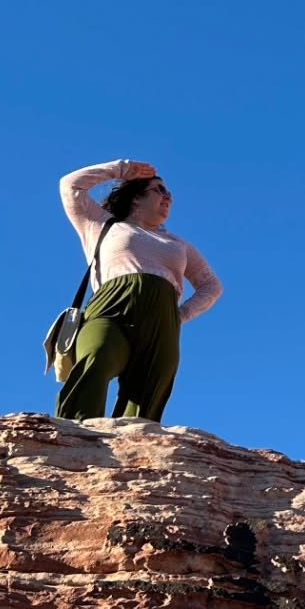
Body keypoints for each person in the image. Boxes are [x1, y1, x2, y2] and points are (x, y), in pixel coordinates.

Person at [54, 158, 222, 422]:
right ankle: (73, 435)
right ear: (135, 198)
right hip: (111, 306)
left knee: (147, 393)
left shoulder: (178, 244)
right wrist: (121, 169)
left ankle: (128, 453)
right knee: (96, 356)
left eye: (170, 194)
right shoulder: (101, 224)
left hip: (162, 319)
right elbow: (70, 185)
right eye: (159, 190)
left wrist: (180, 315)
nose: (168, 197)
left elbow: (212, 285)